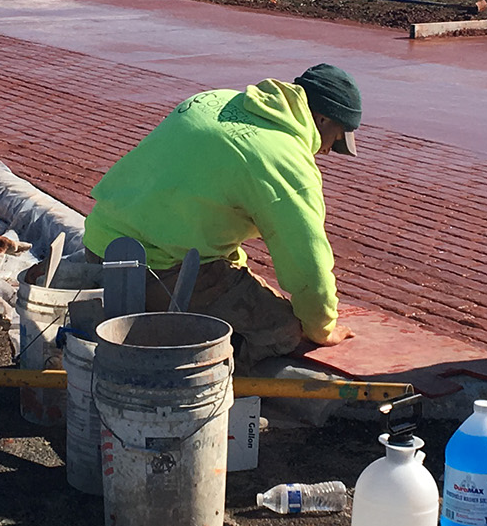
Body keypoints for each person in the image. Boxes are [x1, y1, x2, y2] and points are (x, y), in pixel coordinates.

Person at [83, 64, 363, 367]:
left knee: (238, 273)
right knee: (283, 329)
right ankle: (201, 374)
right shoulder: (285, 162)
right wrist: (321, 329)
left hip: (100, 243)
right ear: (321, 118)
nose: (328, 151)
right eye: (335, 139)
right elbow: (308, 265)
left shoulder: (215, 100)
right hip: (153, 272)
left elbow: (194, 199)